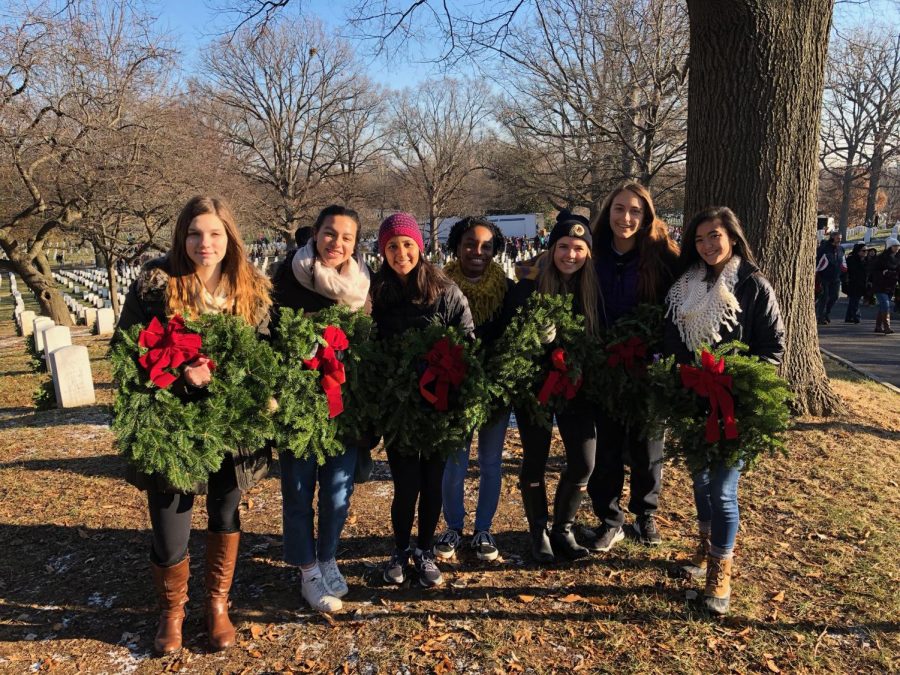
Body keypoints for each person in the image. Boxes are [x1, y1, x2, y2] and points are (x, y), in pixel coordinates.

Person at [116, 196, 273, 655]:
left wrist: (263, 390)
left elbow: (264, 354)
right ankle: (172, 612)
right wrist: (179, 376)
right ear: (182, 237)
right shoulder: (155, 286)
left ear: (230, 238)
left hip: (232, 426)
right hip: (171, 424)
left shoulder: (251, 290)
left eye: (215, 234)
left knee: (225, 512)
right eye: (195, 233)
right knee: (170, 527)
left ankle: (217, 605)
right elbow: (129, 354)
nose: (205, 243)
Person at [664, 206, 784, 616]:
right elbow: (672, 338)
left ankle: (722, 571)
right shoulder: (685, 286)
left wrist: (738, 382)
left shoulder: (752, 284)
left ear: (731, 235)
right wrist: (681, 375)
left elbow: (773, 348)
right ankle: (705, 550)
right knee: (699, 481)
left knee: (723, 489)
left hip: (735, 404)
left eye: (714, 235)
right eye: (699, 239)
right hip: (693, 399)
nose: (707, 245)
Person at [270, 205, 371, 612]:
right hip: (297, 401)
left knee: (336, 491)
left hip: (342, 403)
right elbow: (269, 334)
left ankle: (328, 555)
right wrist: (298, 350)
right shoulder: (285, 277)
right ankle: (307, 568)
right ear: (316, 233)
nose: (337, 243)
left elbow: (369, 341)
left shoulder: (363, 285)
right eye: (331, 233)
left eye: (347, 237)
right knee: (298, 490)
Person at [371, 213, 475, 588]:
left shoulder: (445, 290)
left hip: (438, 405)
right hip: (399, 408)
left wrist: (447, 367)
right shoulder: (378, 293)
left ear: (420, 246)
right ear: (384, 251)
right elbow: (370, 346)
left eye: (408, 244)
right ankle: (400, 549)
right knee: (406, 485)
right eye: (393, 246)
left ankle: (426, 549)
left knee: (433, 483)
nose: (401, 253)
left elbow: (467, 339)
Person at [504, 211, 601, 563]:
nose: (570, 255)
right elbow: (510, 339)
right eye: (563, 247)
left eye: (578, 248)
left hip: (576, 386)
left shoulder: (592, 289)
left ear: (588, 252)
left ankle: (563, 526)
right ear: (552, 248)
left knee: (583, 460)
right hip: (536, 388)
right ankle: (538, 529)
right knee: (535, 459)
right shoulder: (529, 286)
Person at [587, 182, 679, 552]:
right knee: (606, 446)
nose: (626, 217)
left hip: (648, 365)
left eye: (635, 211)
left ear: (647, 216)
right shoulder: (593, 253)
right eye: (619, 209)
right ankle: (609, 519)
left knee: (647, 445)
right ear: (608, 212)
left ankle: (645, 513)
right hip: (605, 363)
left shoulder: (663, 256)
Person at [434, 217, 515, 562]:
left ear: (495, 250)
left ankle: (484, 528)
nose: (477, 252)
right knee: (454, 462)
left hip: (495, 388)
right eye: (470, 243)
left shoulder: (508, 289)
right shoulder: (439, 286)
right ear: (457, 245)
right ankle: (453, 526)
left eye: (485, 246)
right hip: (455, 386)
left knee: (490, 462)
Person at [815, 232, 845, 324]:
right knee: (824, 297)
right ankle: (821, 316)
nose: (839, 240)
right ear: (832, 238)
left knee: (834, 297)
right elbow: (818, 261)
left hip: (836, 277)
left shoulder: (841, 249)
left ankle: (827, 313)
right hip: (824, 277)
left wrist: (844, 274)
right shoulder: (824, 249)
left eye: (840, 238)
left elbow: (843, 262)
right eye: (837, 238)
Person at [872, 237, 900, 334]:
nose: (897, 248)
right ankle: (887, 327)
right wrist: (884, 273)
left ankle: (878, 326)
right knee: (885, 305)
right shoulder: (881, 258)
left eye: (898, 246)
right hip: (880, 285)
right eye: (895, 246)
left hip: (891, 285)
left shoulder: (898, 258)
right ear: (890, 247)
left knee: (883, 306)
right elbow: (874, 271)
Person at [844, 243, 867, 323]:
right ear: (858, 251)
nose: (865, 252)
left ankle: (848, 317)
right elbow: (848, 271)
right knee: (855, 300)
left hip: (861, 283)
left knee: (853, 300)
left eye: (866, 251)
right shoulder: (851, 260)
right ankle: (856, 317)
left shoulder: (864, 260)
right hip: (853, 283)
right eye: (863, 251)